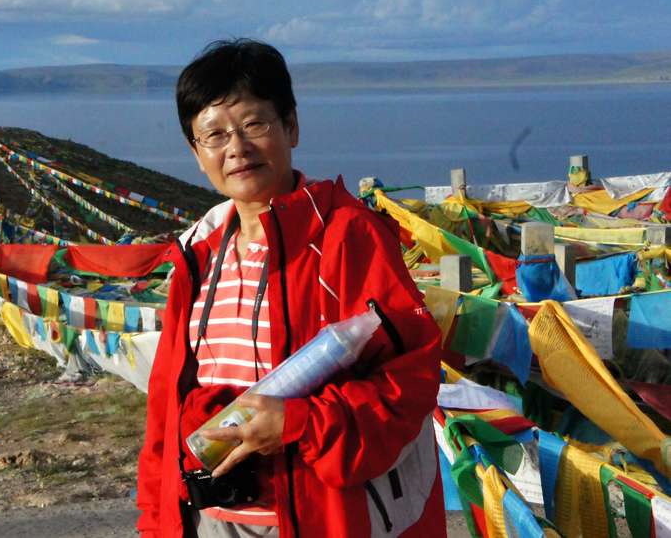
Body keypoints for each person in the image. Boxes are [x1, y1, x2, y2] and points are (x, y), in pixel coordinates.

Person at [136, 39, 446, 537]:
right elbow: (164, 409)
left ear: (292, 127)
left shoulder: (346, 237)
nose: (235, 147)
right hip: (214, 520)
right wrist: (158, 523)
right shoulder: (196, 258)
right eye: (213, 135)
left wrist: (300, 422)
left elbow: (411, 380)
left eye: (254, 124)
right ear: (197, 154)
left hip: (322, 516)